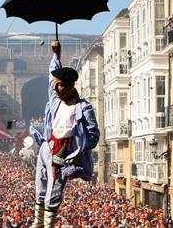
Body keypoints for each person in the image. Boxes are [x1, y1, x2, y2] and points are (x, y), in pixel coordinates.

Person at [29, 40, 100, 227]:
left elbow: (93, 135)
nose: (55, 88)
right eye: (55, 85)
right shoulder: (54, 100)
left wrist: (79, 153)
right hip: (47, 146)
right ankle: (38, 222)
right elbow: (50, 76)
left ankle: (48, 225)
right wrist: (56, 56)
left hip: (63, 153)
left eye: (59, 85)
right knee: (41, 185)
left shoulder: (82, 107)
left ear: (69, 85)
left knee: (54, 190)